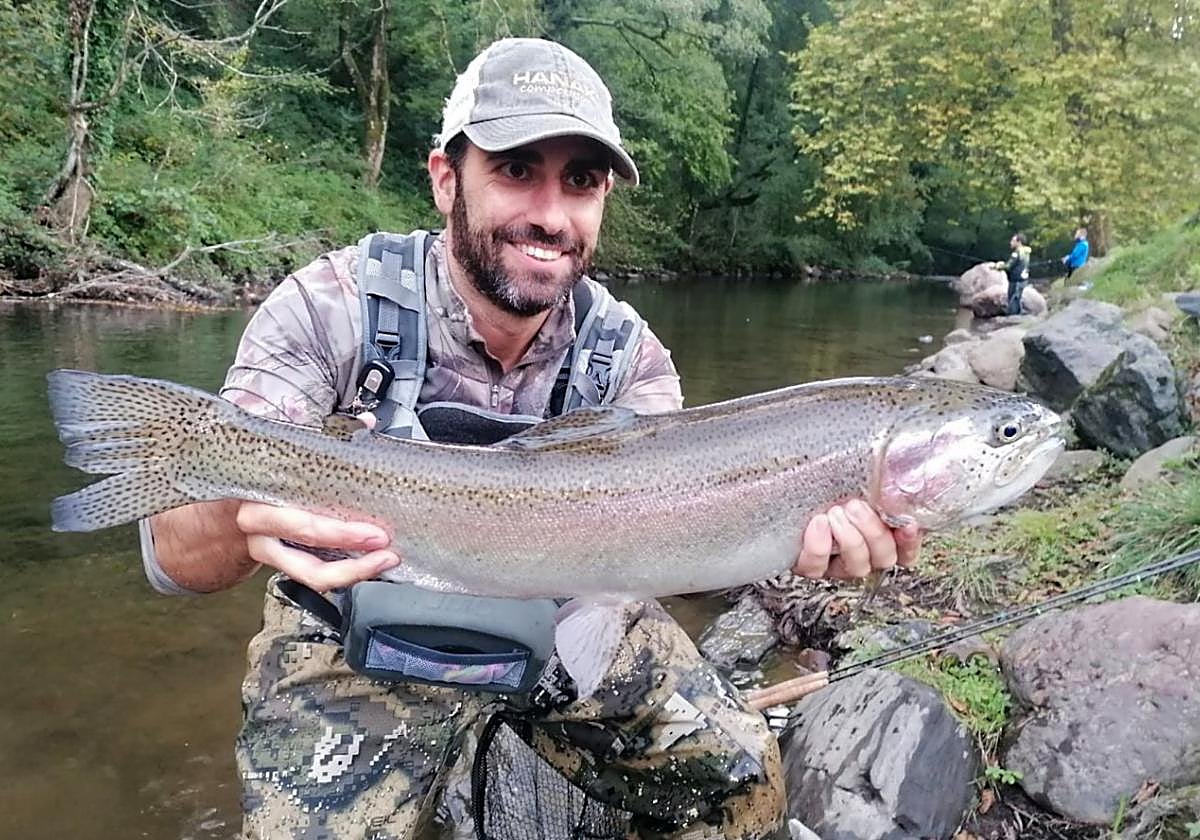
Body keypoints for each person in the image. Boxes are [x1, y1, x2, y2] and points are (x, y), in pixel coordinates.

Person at [141, 37, 922, 838]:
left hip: (566, 620)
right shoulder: (329, 309)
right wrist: (242, 510)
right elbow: (174, 560)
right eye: (516, 170)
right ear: (446, 179)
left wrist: (791, 541)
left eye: (580, 181)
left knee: (743, 786)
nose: (551, 214)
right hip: (358, 633)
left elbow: (671, 562)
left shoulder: (629, 359)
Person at [995, 232, 1031, 315]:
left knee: (1013, 300)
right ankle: (1019, 315)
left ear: (1019, 242)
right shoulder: (1025, 252)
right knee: (1017, 299)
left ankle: (1013, 318)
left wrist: (998, 266)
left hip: (1016, 280)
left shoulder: (1017, 253)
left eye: (1013, 241)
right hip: (1023, 279)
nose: (1011, 242)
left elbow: (1008, 266)